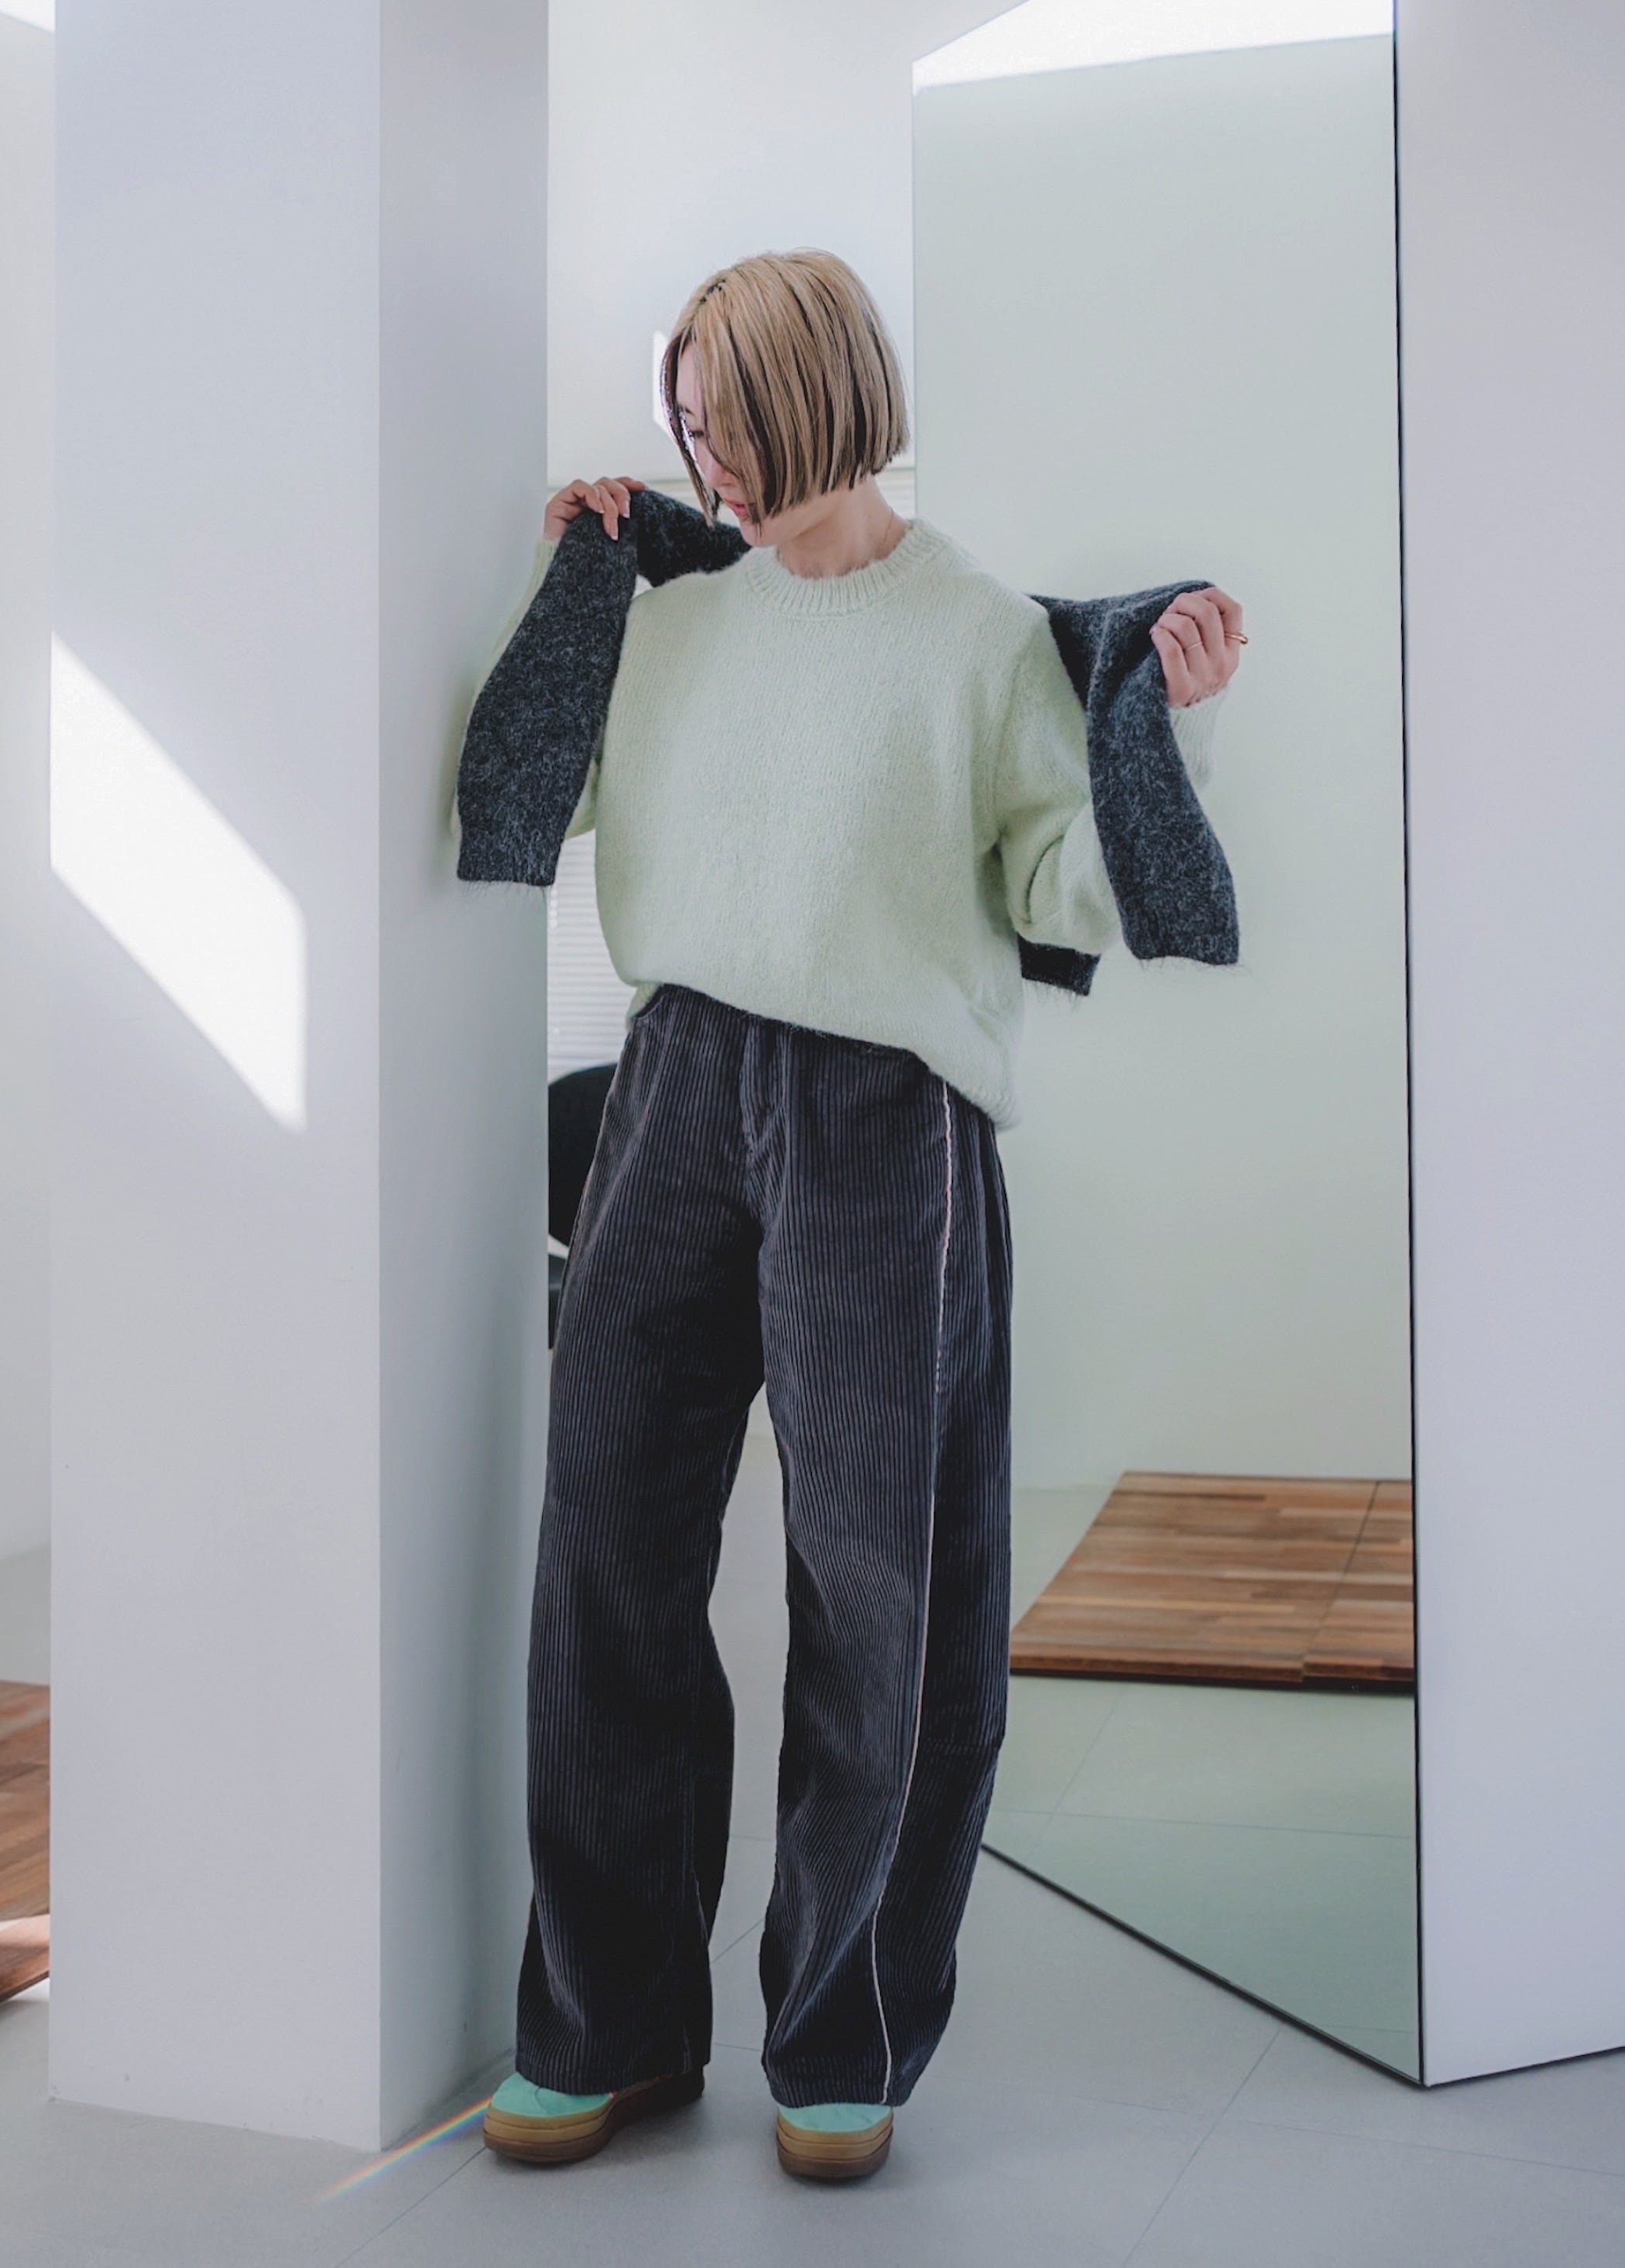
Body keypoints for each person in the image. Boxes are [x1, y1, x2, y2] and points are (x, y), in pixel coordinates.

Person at [481, 250, 1241, 2182]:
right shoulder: (677, 611)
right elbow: (543, 794)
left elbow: (1066, 889)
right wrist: (579, 566)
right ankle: (607, 2022)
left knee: (884, 1597)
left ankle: (842, 2035)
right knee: (604, 1562)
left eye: (726, 421)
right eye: (685, 429)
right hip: (673, 1082)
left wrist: (1164, 724)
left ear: (820, 391)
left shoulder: (975, 635)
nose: (706, 462)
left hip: (887, 1119)